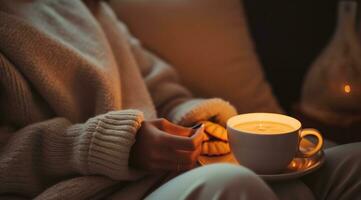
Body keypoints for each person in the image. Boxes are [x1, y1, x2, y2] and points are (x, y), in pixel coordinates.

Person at [0, 0, 360, 199]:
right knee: (232, 187)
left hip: (166, 173)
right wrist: (121, 146)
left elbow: (160, 88)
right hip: (95, 190)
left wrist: (194, 121)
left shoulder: (85, 7)